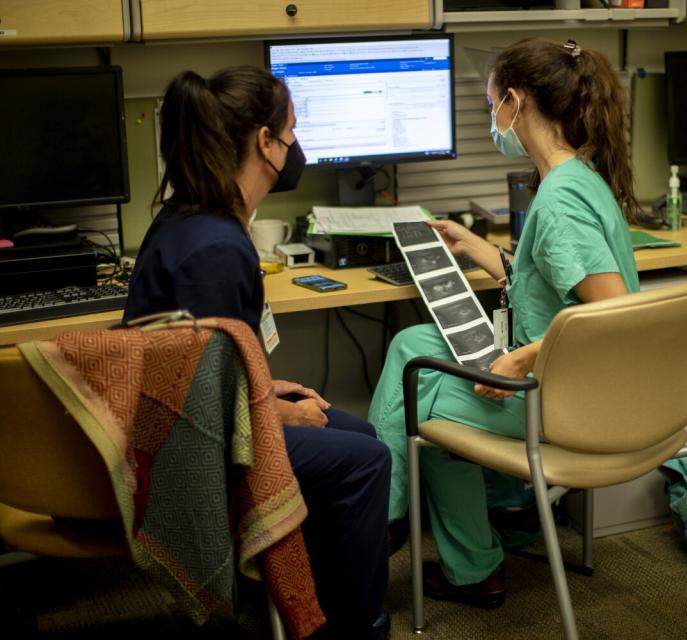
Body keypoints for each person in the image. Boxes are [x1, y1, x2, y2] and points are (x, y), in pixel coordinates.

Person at [367, 38, 642, 607]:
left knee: (416, 395)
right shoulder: (576, 178)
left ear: (515, 102)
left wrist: (522, 356)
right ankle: (488, 517)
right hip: (590, 386)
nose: (492, 118)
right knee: (412, 341)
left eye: (492, 104)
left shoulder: (560, 201)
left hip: (564, 401)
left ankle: (394, 529)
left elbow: (615, 316)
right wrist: (473, 246)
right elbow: (545, 278)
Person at [122, 66, 391, 640]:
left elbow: (217, 370)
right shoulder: (216, 250)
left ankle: (315, 604)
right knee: (366, 461)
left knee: (358, 436)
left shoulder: (194, 218)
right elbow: (204, 408)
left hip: (195, 420)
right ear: (264, 142)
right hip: (187, 451)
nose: (296, 148)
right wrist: (275, 414)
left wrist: (268, 392)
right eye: (291, 133)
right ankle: (354, 627)